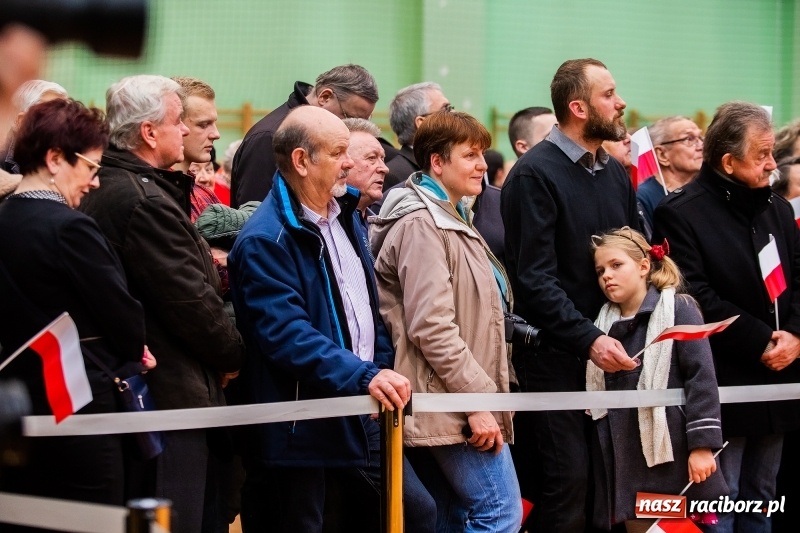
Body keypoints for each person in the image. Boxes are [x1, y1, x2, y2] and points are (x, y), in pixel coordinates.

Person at [227, 105, 435, 533]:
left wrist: (379, 369)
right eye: (339, 152)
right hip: (301, 424)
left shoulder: (344, 216)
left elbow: (366, 310)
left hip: (358, 404)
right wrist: (364, 376)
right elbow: (286, 334)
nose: (348, 163)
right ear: (302, 161)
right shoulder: (267, 238)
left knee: (412, 513)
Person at [78, 74, 245, 533]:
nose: (188, 130)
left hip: (161, 389)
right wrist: (232, 356)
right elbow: (190, 302)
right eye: (179, 121)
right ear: (150, 132)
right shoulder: (141, 200)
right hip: (168, 393)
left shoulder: (125, 186)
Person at [501, 58, 640, 533]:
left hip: (610, 351)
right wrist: (589, 339)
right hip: (555, 359)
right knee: (568, 485)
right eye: (609, 94)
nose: (620, 103)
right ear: (578, 108)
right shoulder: (534, 174)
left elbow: (632, 251)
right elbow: (534, 281)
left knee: (606, 487)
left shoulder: (614, 173)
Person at [0, 98, 153, 529]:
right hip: (77, 403)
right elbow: (121, 312)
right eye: (90, 167)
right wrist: (136, 348)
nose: (95, 181)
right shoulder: (71, 227)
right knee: (93, 517)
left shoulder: (5, 219)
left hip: (13, 404)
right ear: (55, 159)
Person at [653, 101, 800, 533]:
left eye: (772, 153)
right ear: (729, 162)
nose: (773, 164)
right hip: (723, 379)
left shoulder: (776, 208)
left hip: (780, 373)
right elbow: (694, 295)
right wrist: (762, 341)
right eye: (762, 155)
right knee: (721, 500)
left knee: (763, 494)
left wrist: (794, 334)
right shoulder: (680, 212)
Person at [371, 110, 522, 532]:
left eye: (482, 154)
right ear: (437, 162)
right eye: (470, 155)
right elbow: (432, 327)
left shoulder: (450, 216)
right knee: (499, 513)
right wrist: (477, 402)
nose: (482, 165)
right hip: (449, 400)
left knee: (451, 519)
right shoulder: (422, 224)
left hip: (450, 396)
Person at [587, 227, 727, 532]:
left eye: (616, 265)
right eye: (600, 270)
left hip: (673, 461)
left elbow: (702, 379)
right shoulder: (600, 327)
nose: (606, 276)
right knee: (641, 528)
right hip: (627, 469)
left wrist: (703, 446)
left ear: (643, 266)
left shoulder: (679, 309)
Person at [231, 64, 378, 207]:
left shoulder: (320, 135)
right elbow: (255, 212)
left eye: (365, 121)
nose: (353, 128)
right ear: (325, 97)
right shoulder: (269, 137)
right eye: (349, 118)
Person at [637, 116, 704, 228]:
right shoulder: (643, 198)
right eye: (689, 139)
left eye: (701, 138)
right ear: (662, 154)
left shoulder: (706, 191)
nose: (701, 146)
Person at [384, 81, 452, 190]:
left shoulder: (448, 164)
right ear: (422, 123)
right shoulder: (394, 175)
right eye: (446, 109)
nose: (454, 114)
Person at [342, 117, 389, 224]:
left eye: (382, 159)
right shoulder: (323, 223)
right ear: (343, 162)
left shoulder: (379, 226)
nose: (385, 169)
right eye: (372, 158)